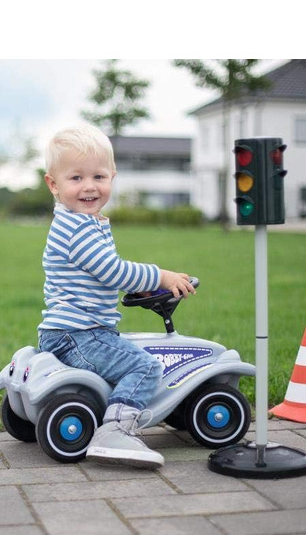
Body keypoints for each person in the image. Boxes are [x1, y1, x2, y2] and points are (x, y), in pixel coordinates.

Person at [37, 124, 195, 469]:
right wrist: (161, 276)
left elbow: (100, 276)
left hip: (70, 332)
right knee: (145, 366)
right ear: (54, 184)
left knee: (127, 352)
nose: (90, 186)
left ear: (112, 177)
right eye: (76, 178)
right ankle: (118, 430)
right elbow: (112, 271)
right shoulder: (77, 228)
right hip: (81, 335)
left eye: (98, 176)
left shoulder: (80, 222)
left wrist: (140, 287)